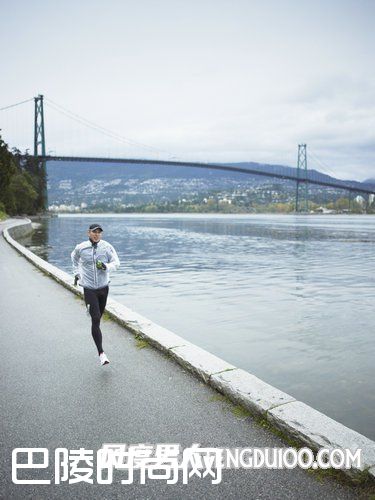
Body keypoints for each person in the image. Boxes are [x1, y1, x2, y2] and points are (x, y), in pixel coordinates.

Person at [71, 223, 120, 366]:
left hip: (104, 288)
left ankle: (91, 309)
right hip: (89, 287)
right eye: (94, 232)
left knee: (100, 315)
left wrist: (106, 266)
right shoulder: (81, 247)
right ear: (88, 233)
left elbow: (116, 263)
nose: (96, 234)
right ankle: (101, 353)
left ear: (101, 234)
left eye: (99, 232)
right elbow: (73, 258)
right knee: (96, 319)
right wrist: (76, 273)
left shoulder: (107, 247)